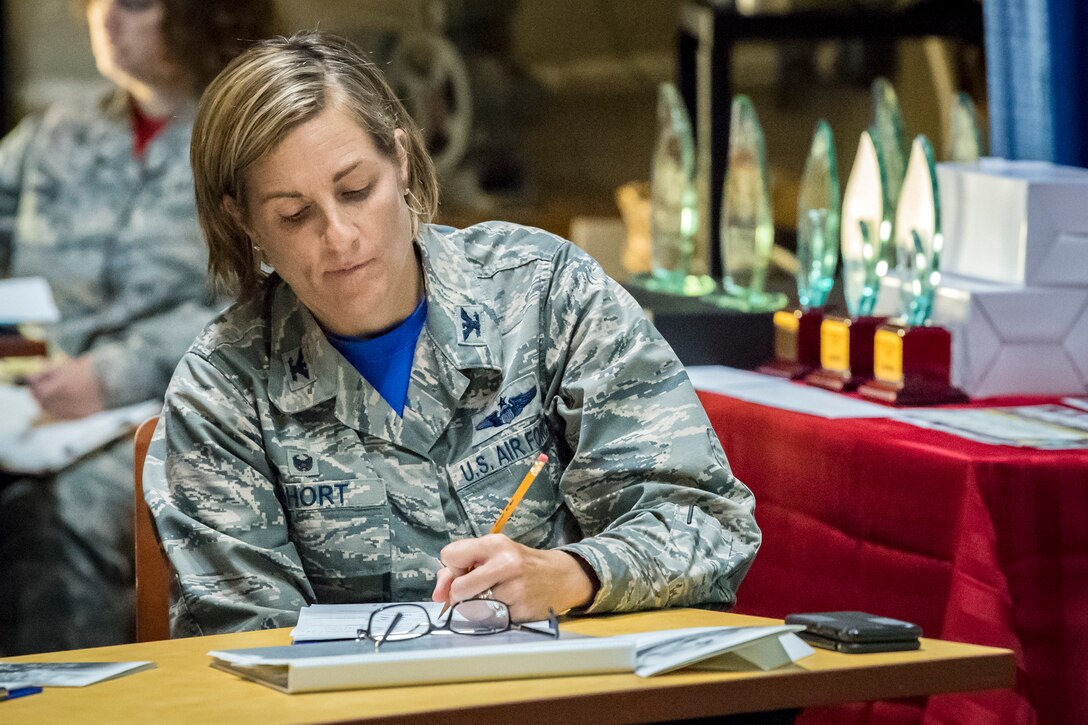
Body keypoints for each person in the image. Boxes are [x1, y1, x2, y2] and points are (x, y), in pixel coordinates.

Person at [144, 31, 761, 636]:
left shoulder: (544, 294)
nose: (341, 236)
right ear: (244, 221)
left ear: (403, 162)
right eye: (294, 215)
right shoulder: (223, 392)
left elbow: (707, 524)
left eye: (357, 190)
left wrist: (573, 574)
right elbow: (245, 652)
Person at [0, 0, 276, 655]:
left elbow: (271, 294)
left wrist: (116, 373)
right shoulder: (55, 135)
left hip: (181, 411)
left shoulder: (249, 136)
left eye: (134, 5)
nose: (106, 18)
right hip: (29, 404)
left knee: (59, 516)